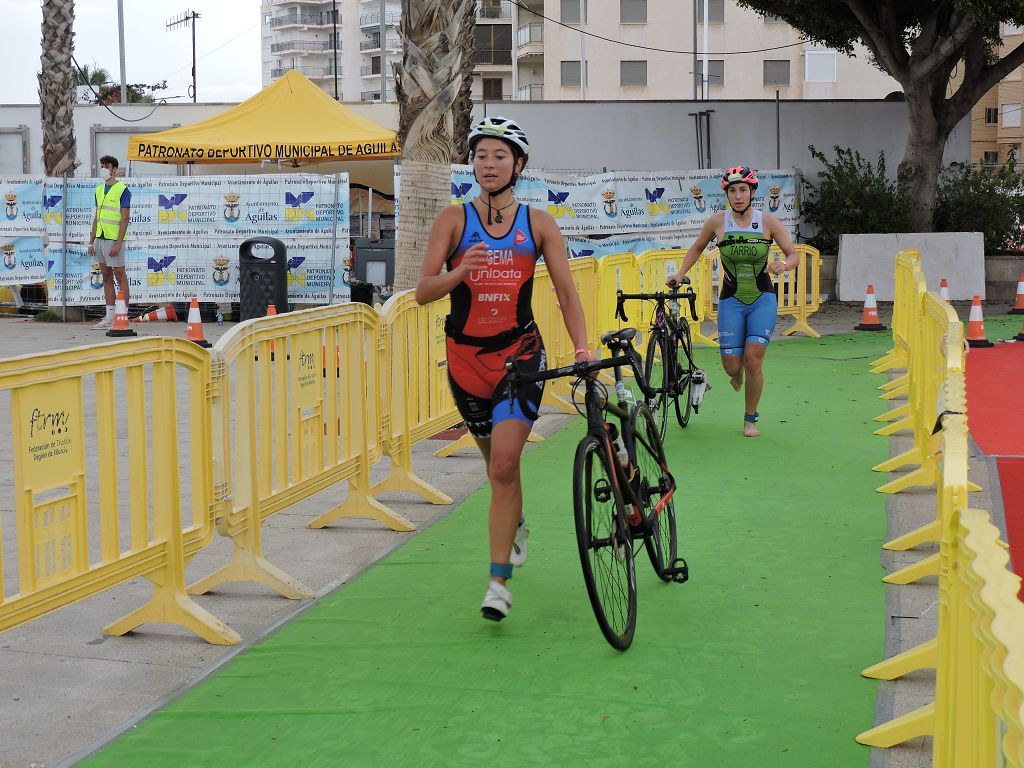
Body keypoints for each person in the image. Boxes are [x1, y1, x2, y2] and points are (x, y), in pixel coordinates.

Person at [415, 116, 593, 622]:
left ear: (518, 164)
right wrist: (459, 272)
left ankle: (498, 583)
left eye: (498, 155)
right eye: (480, 156)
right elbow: (423, 291)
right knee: (498, 472)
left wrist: (581, 349)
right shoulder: (453, 219)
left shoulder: (538, 223)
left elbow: (565, 292)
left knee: (503, 466)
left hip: (519, 356)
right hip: (465, 362)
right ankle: (513, 524)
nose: (487, 165)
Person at [667, 165, 798, 438]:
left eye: (743, 190)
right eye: (733, 191)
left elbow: (793, 254)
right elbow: (696, 248)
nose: (738, 196)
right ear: (727, 194)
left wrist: (783, 265)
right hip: (730, 301)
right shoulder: (717, 222)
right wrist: (680, 273)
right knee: (732, 366)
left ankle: (750, 419)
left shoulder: (768, 222)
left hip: (762, 300)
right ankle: (735, 374)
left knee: (753, 361)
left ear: (752, 193)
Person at [88, 155, 131, 330]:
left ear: (114, 169)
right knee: (106, 276)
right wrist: (91, 241)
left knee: (120, 276)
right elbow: (97, 217)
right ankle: (109, 316)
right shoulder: (98, 190)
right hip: (100, 238)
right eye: (102, 166)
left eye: (106, 166)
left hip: (114, 240)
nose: (103, 169)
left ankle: (122, 316)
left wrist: (118, 243)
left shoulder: (123, 190)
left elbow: (125, 218)